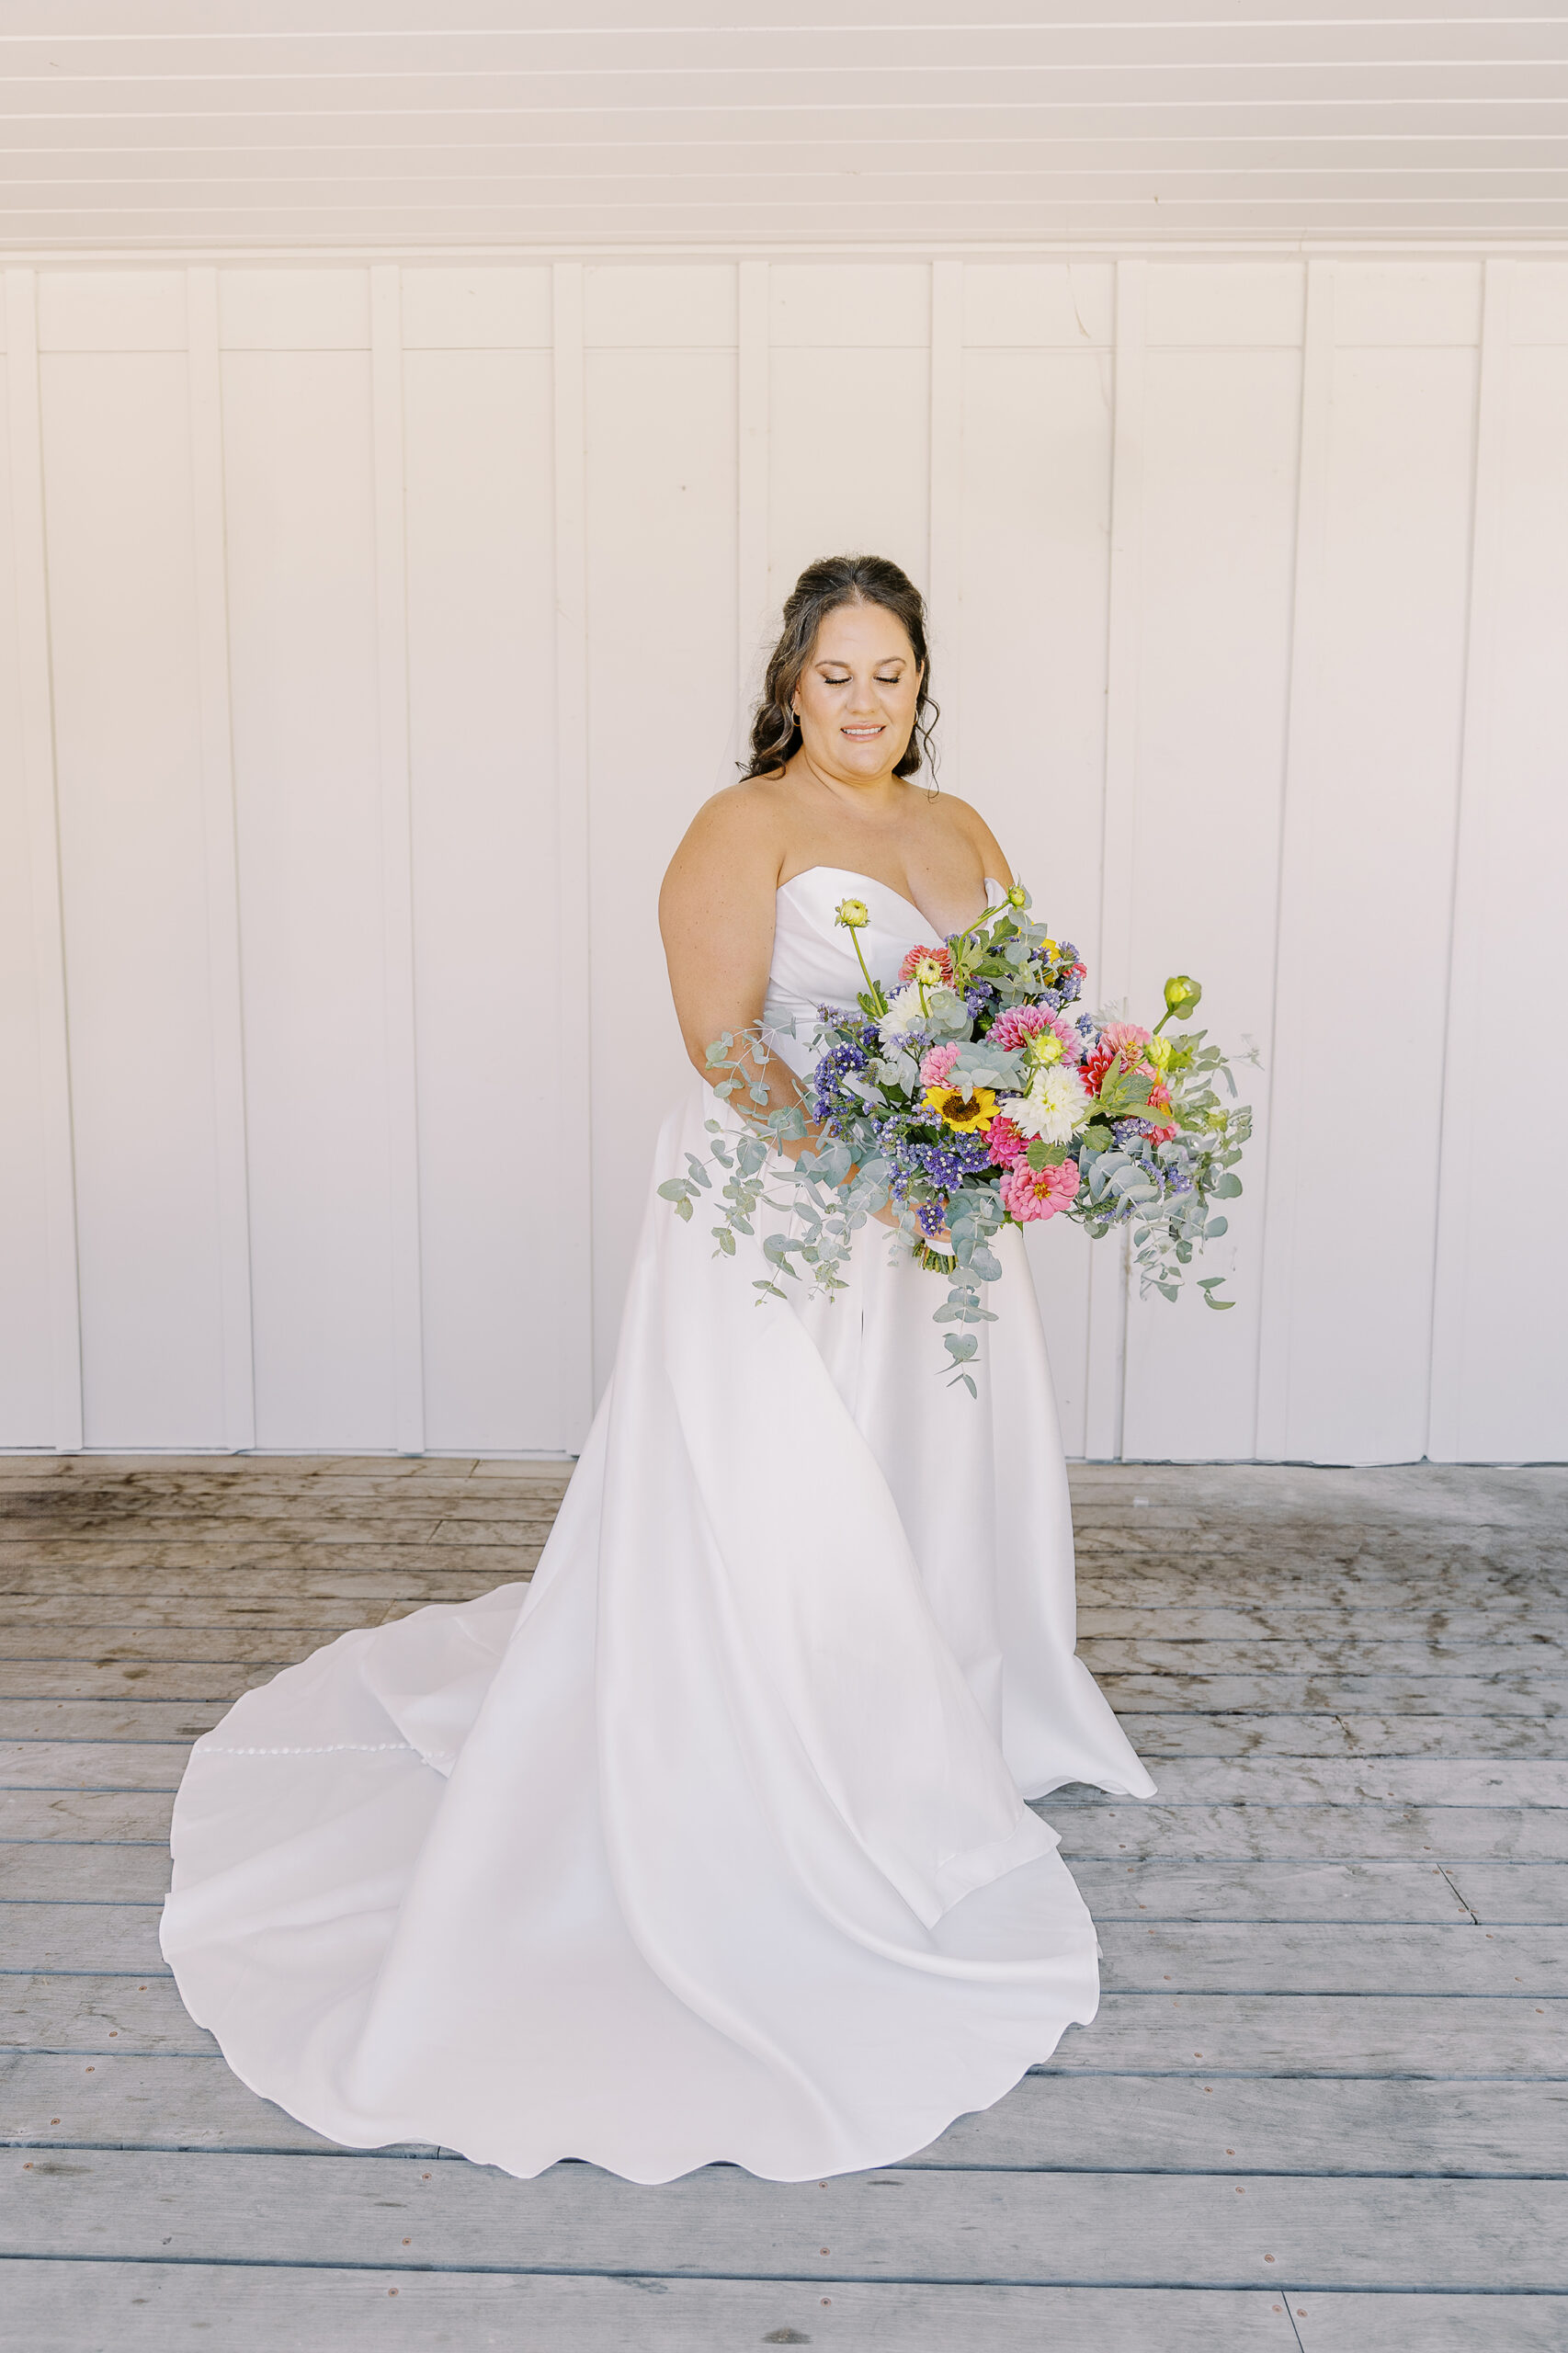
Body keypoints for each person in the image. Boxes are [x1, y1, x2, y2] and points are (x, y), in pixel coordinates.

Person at [160, 552, 1154, 2186]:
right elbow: (723, 1042)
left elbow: (1020, 1004)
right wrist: (871, 1160)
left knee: (929, 1458)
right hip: (783, 1208)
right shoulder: (739, 828)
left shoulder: (958, 829)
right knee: (776, 1489)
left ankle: (942, 1697)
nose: (863, 701)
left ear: (921, 684)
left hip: (933, 1225)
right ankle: (780, 1733)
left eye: (888, 673)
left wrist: (1024, 1113)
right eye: (834, 674)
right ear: (788, 684)